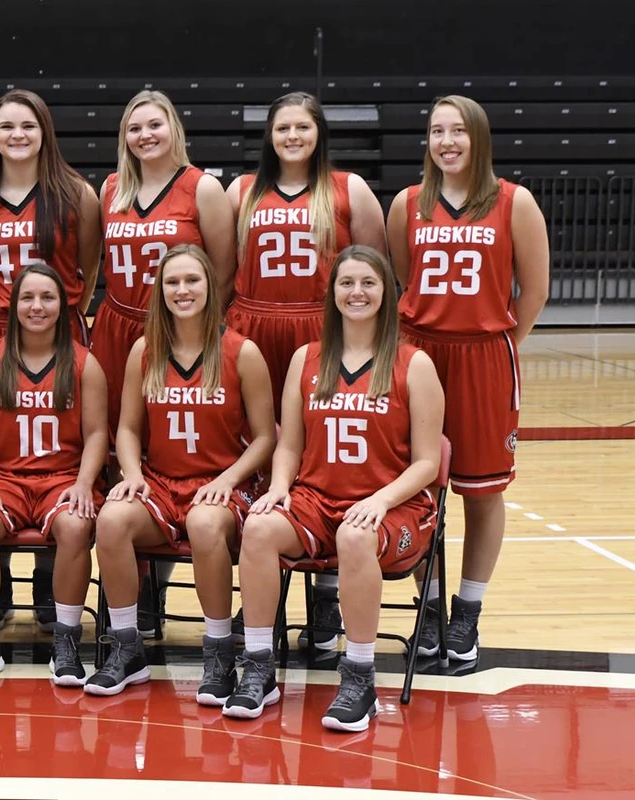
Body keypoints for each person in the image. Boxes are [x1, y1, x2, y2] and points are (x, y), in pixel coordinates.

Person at [225, 246, 444, 732]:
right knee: (257, 528)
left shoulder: (415, 364)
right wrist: (279, 487)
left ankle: (360, 676)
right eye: (346, 283)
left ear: (387, 293)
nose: (356, 292)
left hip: (395, 504)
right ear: (332, 293)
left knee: (355, 536)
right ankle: (259, 666)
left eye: (368, 282)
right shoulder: (307, 358)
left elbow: (429, 462)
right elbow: (287, 446)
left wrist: (380, 500)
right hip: (316, 498)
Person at [387, 95, 549, 661]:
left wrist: (499, 344)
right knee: (418, 488)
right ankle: (428, 611)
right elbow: (404, 284)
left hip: (484, 356)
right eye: (437, 131)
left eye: (458, 131)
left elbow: (535, 292)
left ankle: (468, 613)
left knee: (482, 492)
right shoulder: (407, 203)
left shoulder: (514, 202)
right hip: (420, 356)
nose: (447, 141)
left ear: (478, 138)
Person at [224, 91, 385, 647]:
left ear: (319, 134)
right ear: (269, 135)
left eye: (303, 127)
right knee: (257, 452)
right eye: (283, 127)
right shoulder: (241, 191)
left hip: (320, 333)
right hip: (253, 327)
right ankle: (259, 600)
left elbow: (374, 269)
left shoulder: (349, 189)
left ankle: (324, 598)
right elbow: (223, 272)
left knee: (321, 456)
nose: (292, 136)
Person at [82, 245, 275, 701]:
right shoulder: (144, 351)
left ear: (211, 286)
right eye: (172, 282)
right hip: (163, 483)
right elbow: (128, 427)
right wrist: (130, 473)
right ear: (160, 291)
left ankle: (220, 650)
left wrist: (228, 479)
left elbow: (267, 437)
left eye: (192, 280)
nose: (182, 290)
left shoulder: (241, 352)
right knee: (110, 518)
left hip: (226, 485)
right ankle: (127, 647)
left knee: (205, 524)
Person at [0, 88, 101, 628]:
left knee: (58, 444)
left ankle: (47, 581)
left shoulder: (76, 195)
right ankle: (0, 588)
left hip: (57, 333)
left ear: (45, 132)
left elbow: (87, 266)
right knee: (0, 446)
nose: (17, 135)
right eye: (6, 126)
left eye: (28, 126)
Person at [94, 90, 236, 635]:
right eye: (134, 128)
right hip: (120, 325)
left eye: (154, 125)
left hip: (182, 328)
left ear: (173, 128)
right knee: (120, 449)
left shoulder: (202, 187)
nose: (145, 136)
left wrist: (191, 331)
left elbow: (221, 272)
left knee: (183, 445)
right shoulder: (110, 188)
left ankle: (170, 585)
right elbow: (91, 266)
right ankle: (134, 588)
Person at [0, 264, 107, 686]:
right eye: (28, 298)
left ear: (63, 305)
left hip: (62, 478)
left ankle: (67, 639)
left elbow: (97, 433)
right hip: (4, 477)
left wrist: (83, 483)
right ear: (13, 305)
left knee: (76, 527)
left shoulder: (84, 364)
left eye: (47, 297)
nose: (37, 306)